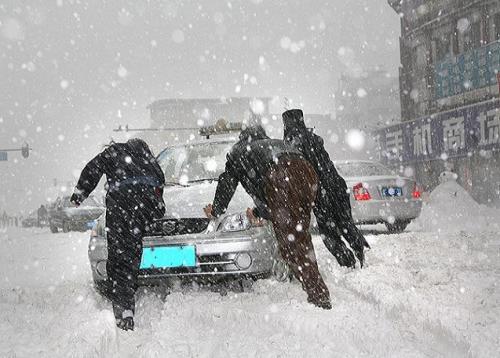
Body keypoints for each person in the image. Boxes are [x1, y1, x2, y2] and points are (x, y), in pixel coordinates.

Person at [204, 124, 331, 309]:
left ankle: (318, 296)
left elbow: (228, 183)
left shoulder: (239, 150)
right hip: (306, 172)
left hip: (282, 175)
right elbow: (273, 197)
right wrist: (258, 212)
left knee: (291, 243)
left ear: (242, 138)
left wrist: (216, 210)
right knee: (300, 236)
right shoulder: (276, 144)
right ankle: (314, 287)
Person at [70, 138, 165, 331]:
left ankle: (124, 308)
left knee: (119, 255)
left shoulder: (114, 152)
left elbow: (92, 168)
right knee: (132, 251)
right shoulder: (149, 159)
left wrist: (80, 194)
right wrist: (156, 207)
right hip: (145, 205)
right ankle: (126, 289)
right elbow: (160, 183)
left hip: (121, 204)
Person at [282, 109, 369, 268]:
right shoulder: (314, 139)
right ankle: (360, 248)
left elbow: (297, 172)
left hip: (320, 191)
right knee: (344, 222)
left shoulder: (291, 142)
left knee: (328, 232)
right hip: (337, 185)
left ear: (286, 123)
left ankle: (348, 262)